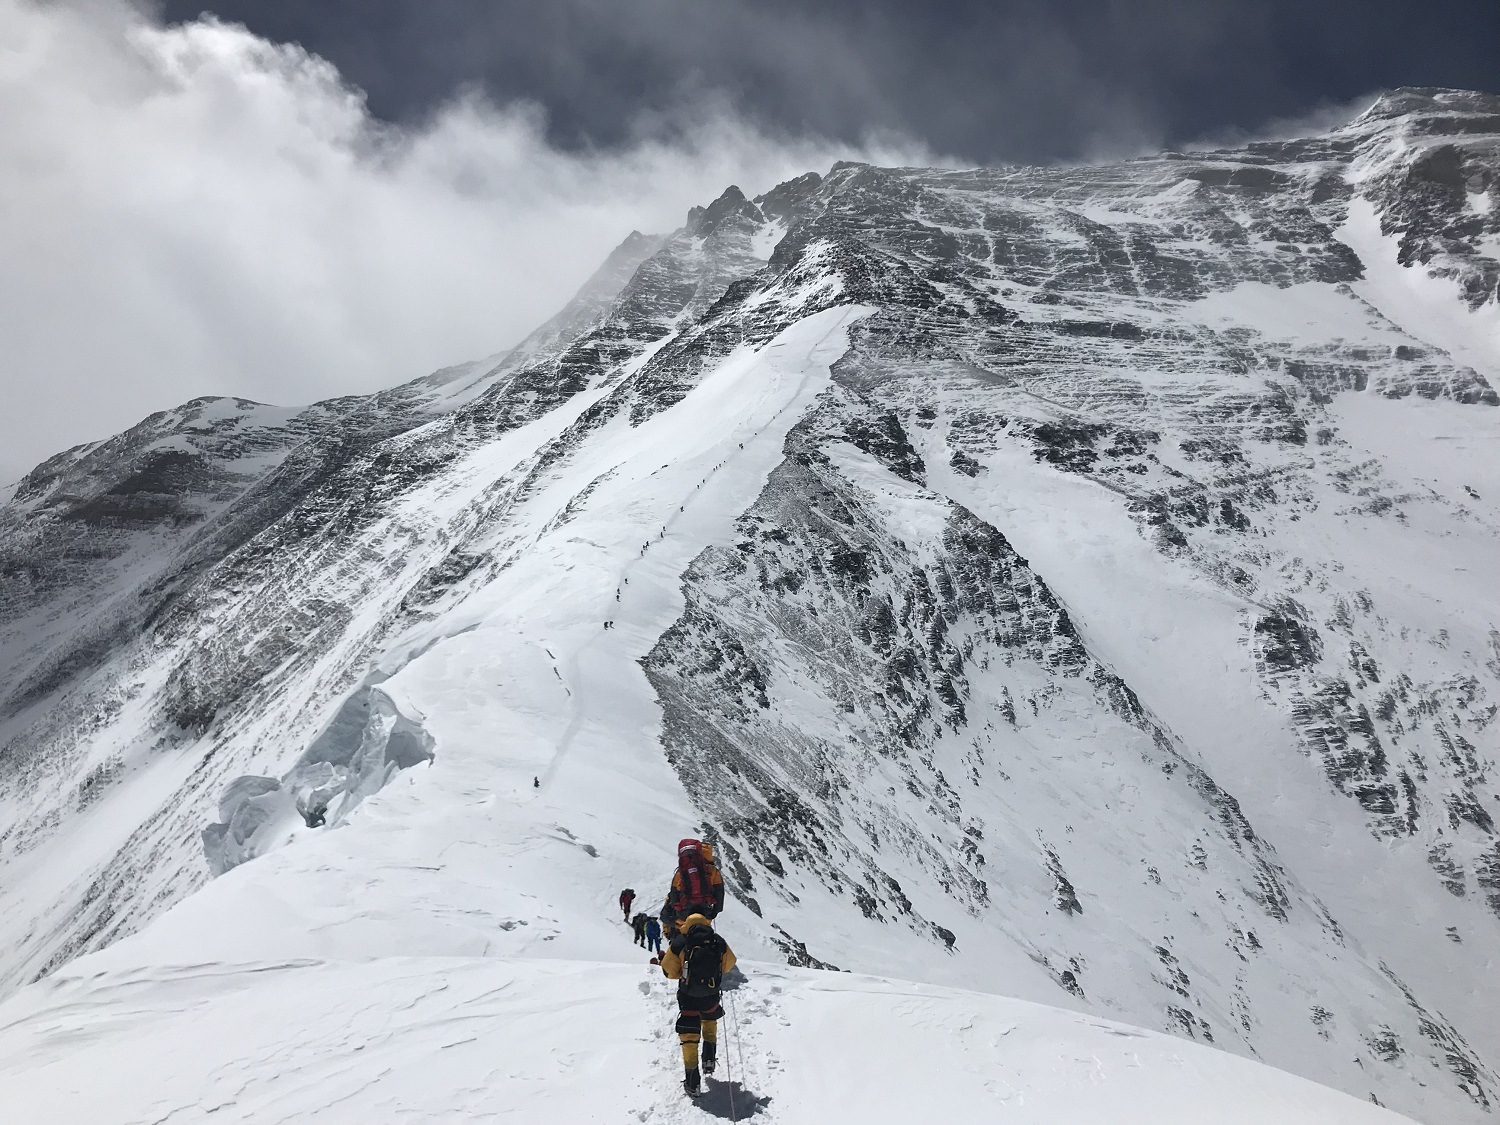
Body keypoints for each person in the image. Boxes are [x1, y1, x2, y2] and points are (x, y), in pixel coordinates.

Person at [659, 913, 736, 1097]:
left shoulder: (680, 942)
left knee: (689, 1036)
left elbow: (668, 971)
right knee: (709, 1020)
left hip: (688, 998)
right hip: (710, 995)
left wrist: (685, 975)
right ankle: (709, 1056)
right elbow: (729, 964)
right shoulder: (717, 941)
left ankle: (692, 1080)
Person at [660, 838, 725, 932]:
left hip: (684, 914)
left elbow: (674, 892)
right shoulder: (712, 870)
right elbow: (720, 892)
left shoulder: (681, 871)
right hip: (704, 912)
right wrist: (714, 912)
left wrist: (677, 908)